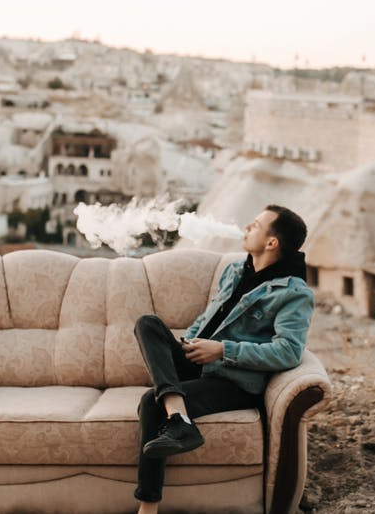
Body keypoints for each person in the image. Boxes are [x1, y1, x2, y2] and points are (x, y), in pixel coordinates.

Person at [133, 204, 313, 513]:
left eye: (255, 225)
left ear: (272, 243)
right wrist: (191, 341)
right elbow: (208, 318)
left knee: (152, 402)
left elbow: (288, 352)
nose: (246, 228)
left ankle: (148, 508)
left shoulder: (294, 293)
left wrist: (223, 350)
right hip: (201, 359)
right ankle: (179, 418)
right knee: (147, 324)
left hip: (233, 380)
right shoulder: (234, 271)